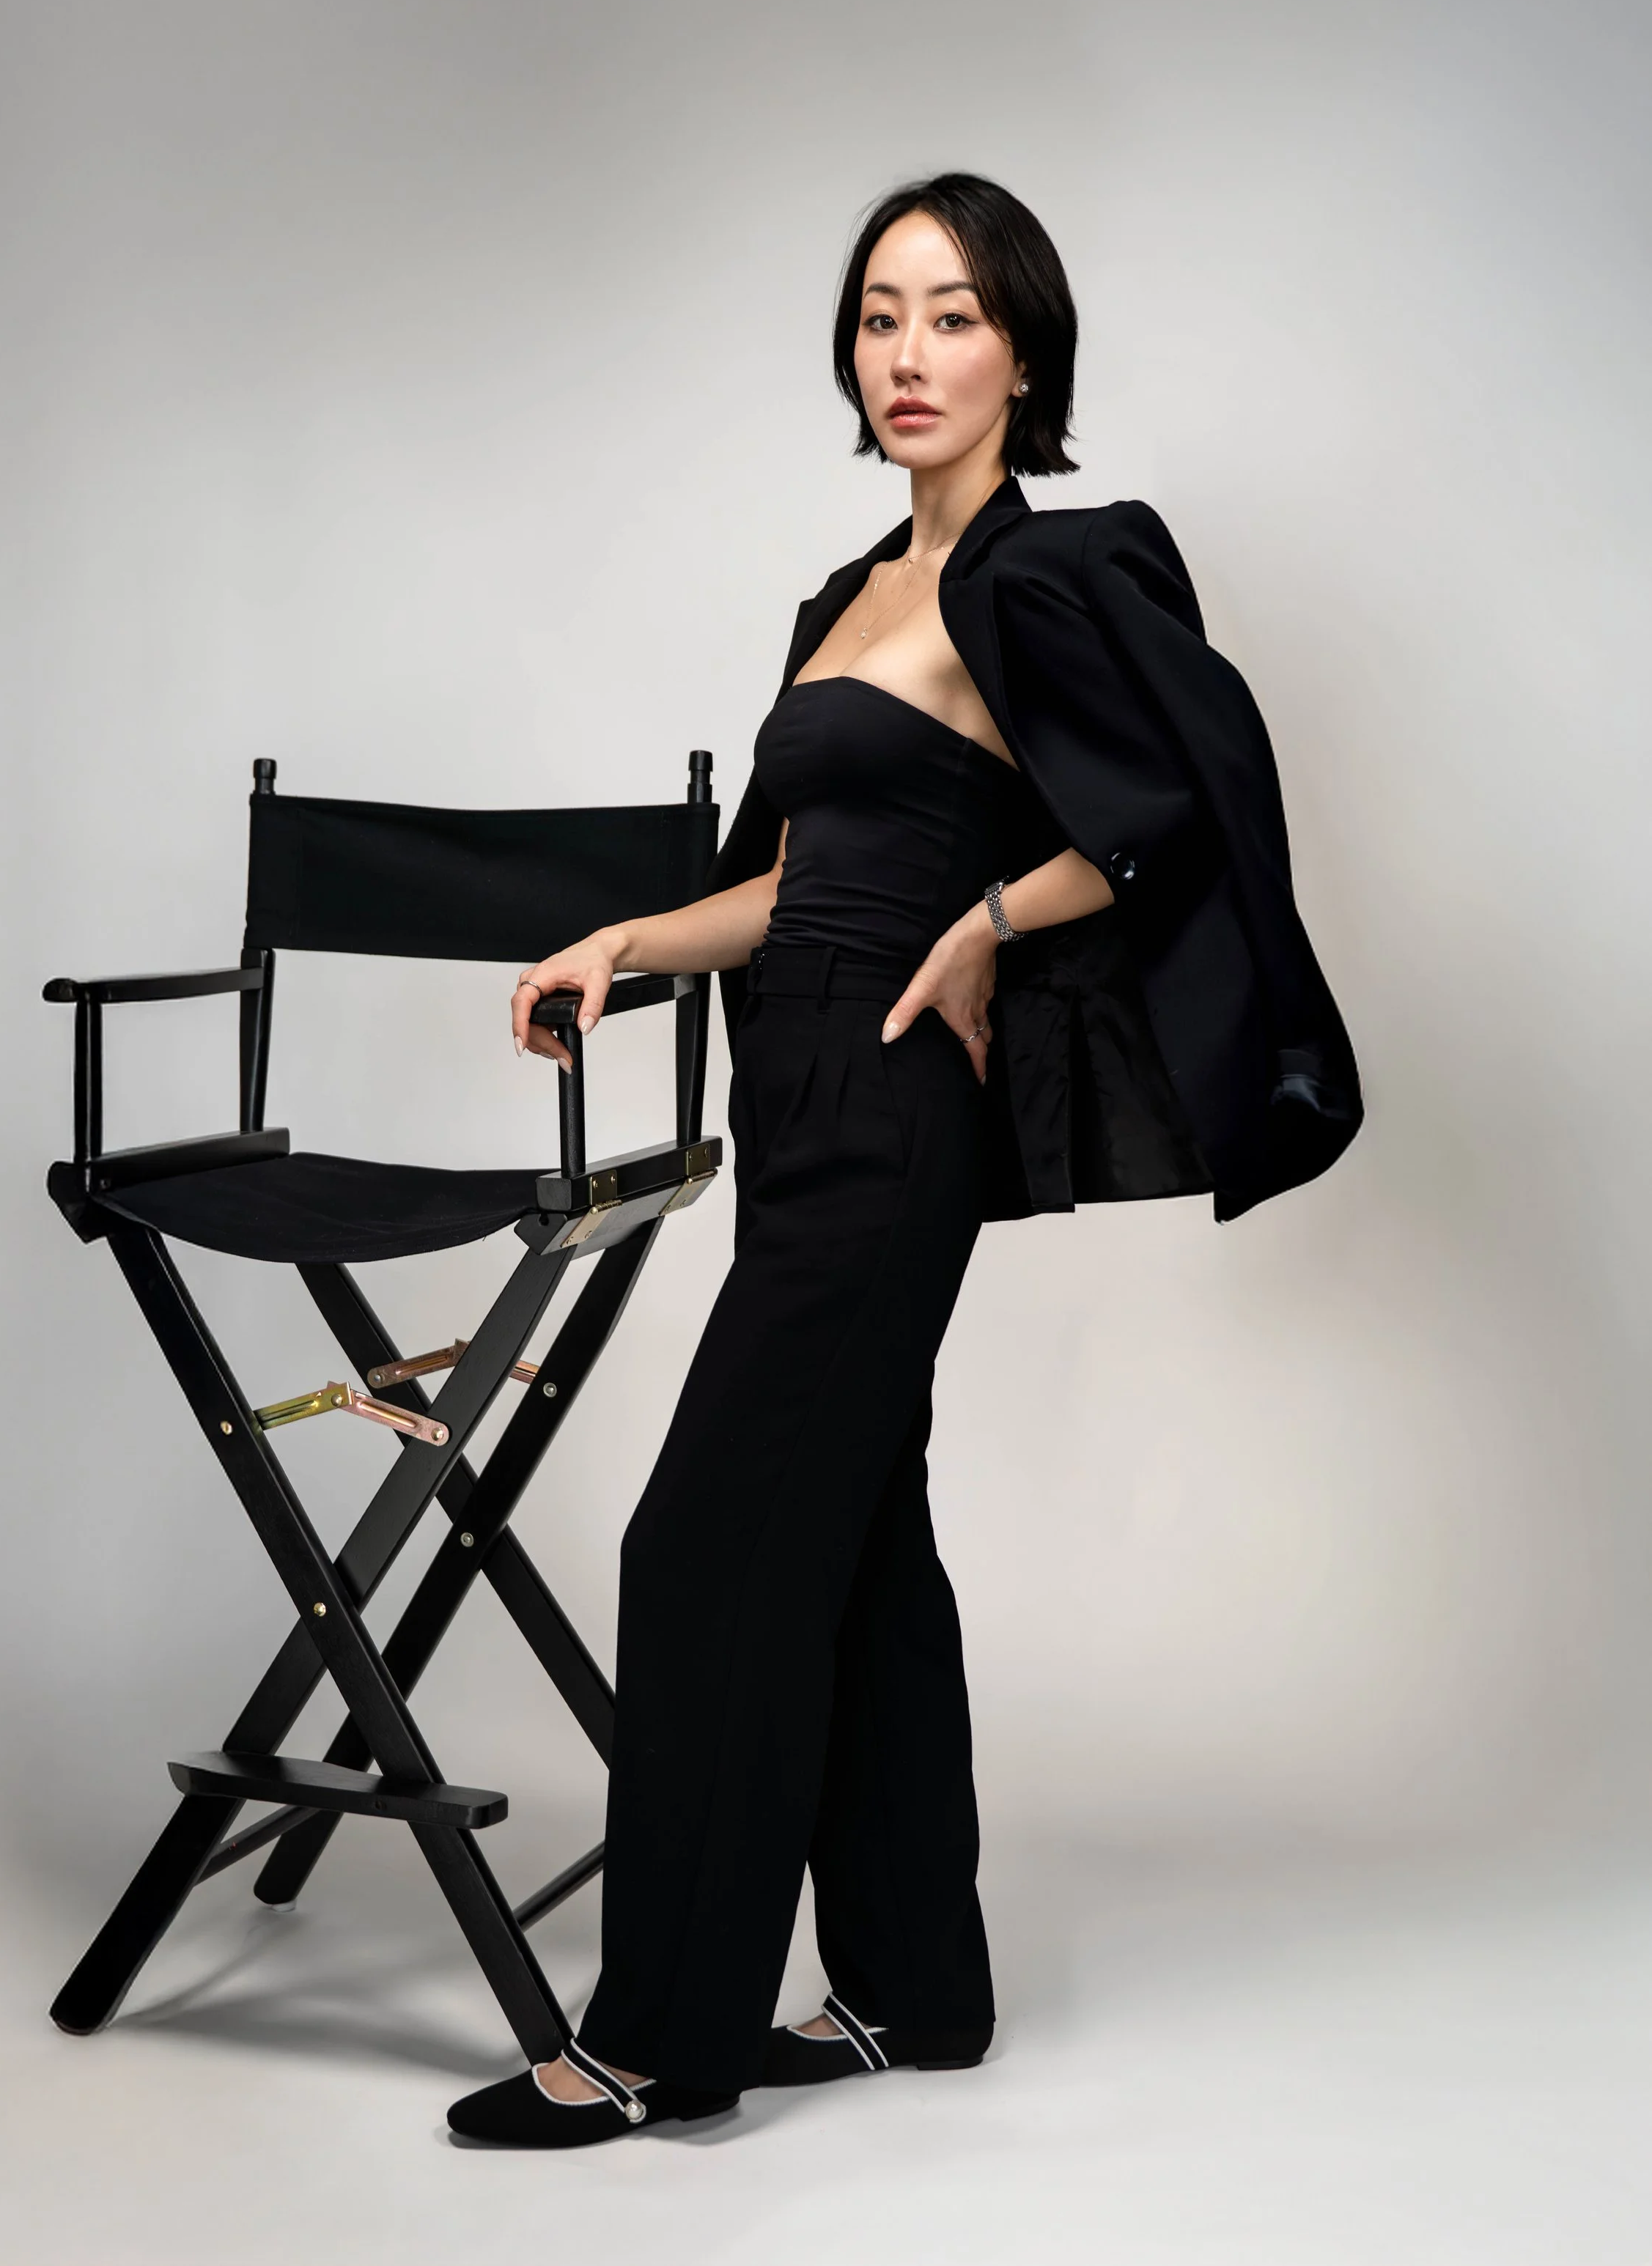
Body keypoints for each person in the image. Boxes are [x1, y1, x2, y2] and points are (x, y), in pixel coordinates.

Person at [447, 173, 1360, 2147]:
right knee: (854, 1550)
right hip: (786, 1102)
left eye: (951, 315)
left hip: (886, 1120)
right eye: (880, 315)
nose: (909, 352)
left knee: (698, 1548)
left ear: (1023, 351)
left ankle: (662, 2038)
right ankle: (911, 1995)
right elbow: (787, 892)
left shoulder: (1041, 573)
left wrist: (992, 922)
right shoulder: (840, 593)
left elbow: (1181, 811)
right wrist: (622, 944)